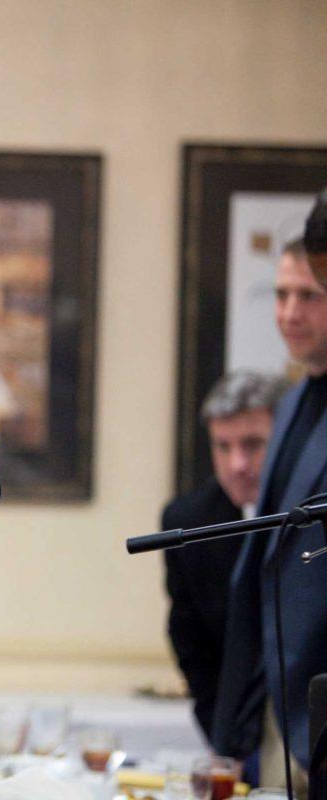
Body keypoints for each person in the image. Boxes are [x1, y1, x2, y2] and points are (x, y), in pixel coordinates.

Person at [214, 239, 327, 796]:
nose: (289, 312)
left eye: (309, 294)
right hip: (279, 705)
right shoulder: (292, 402)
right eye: (281, 294)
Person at [162, 369, 286, 741]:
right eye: (223, 446)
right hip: (234, 726)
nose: (237, 465)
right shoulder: (188, 520)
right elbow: (188, 638)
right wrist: (221, 727)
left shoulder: (311, 512)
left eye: (253, 444)